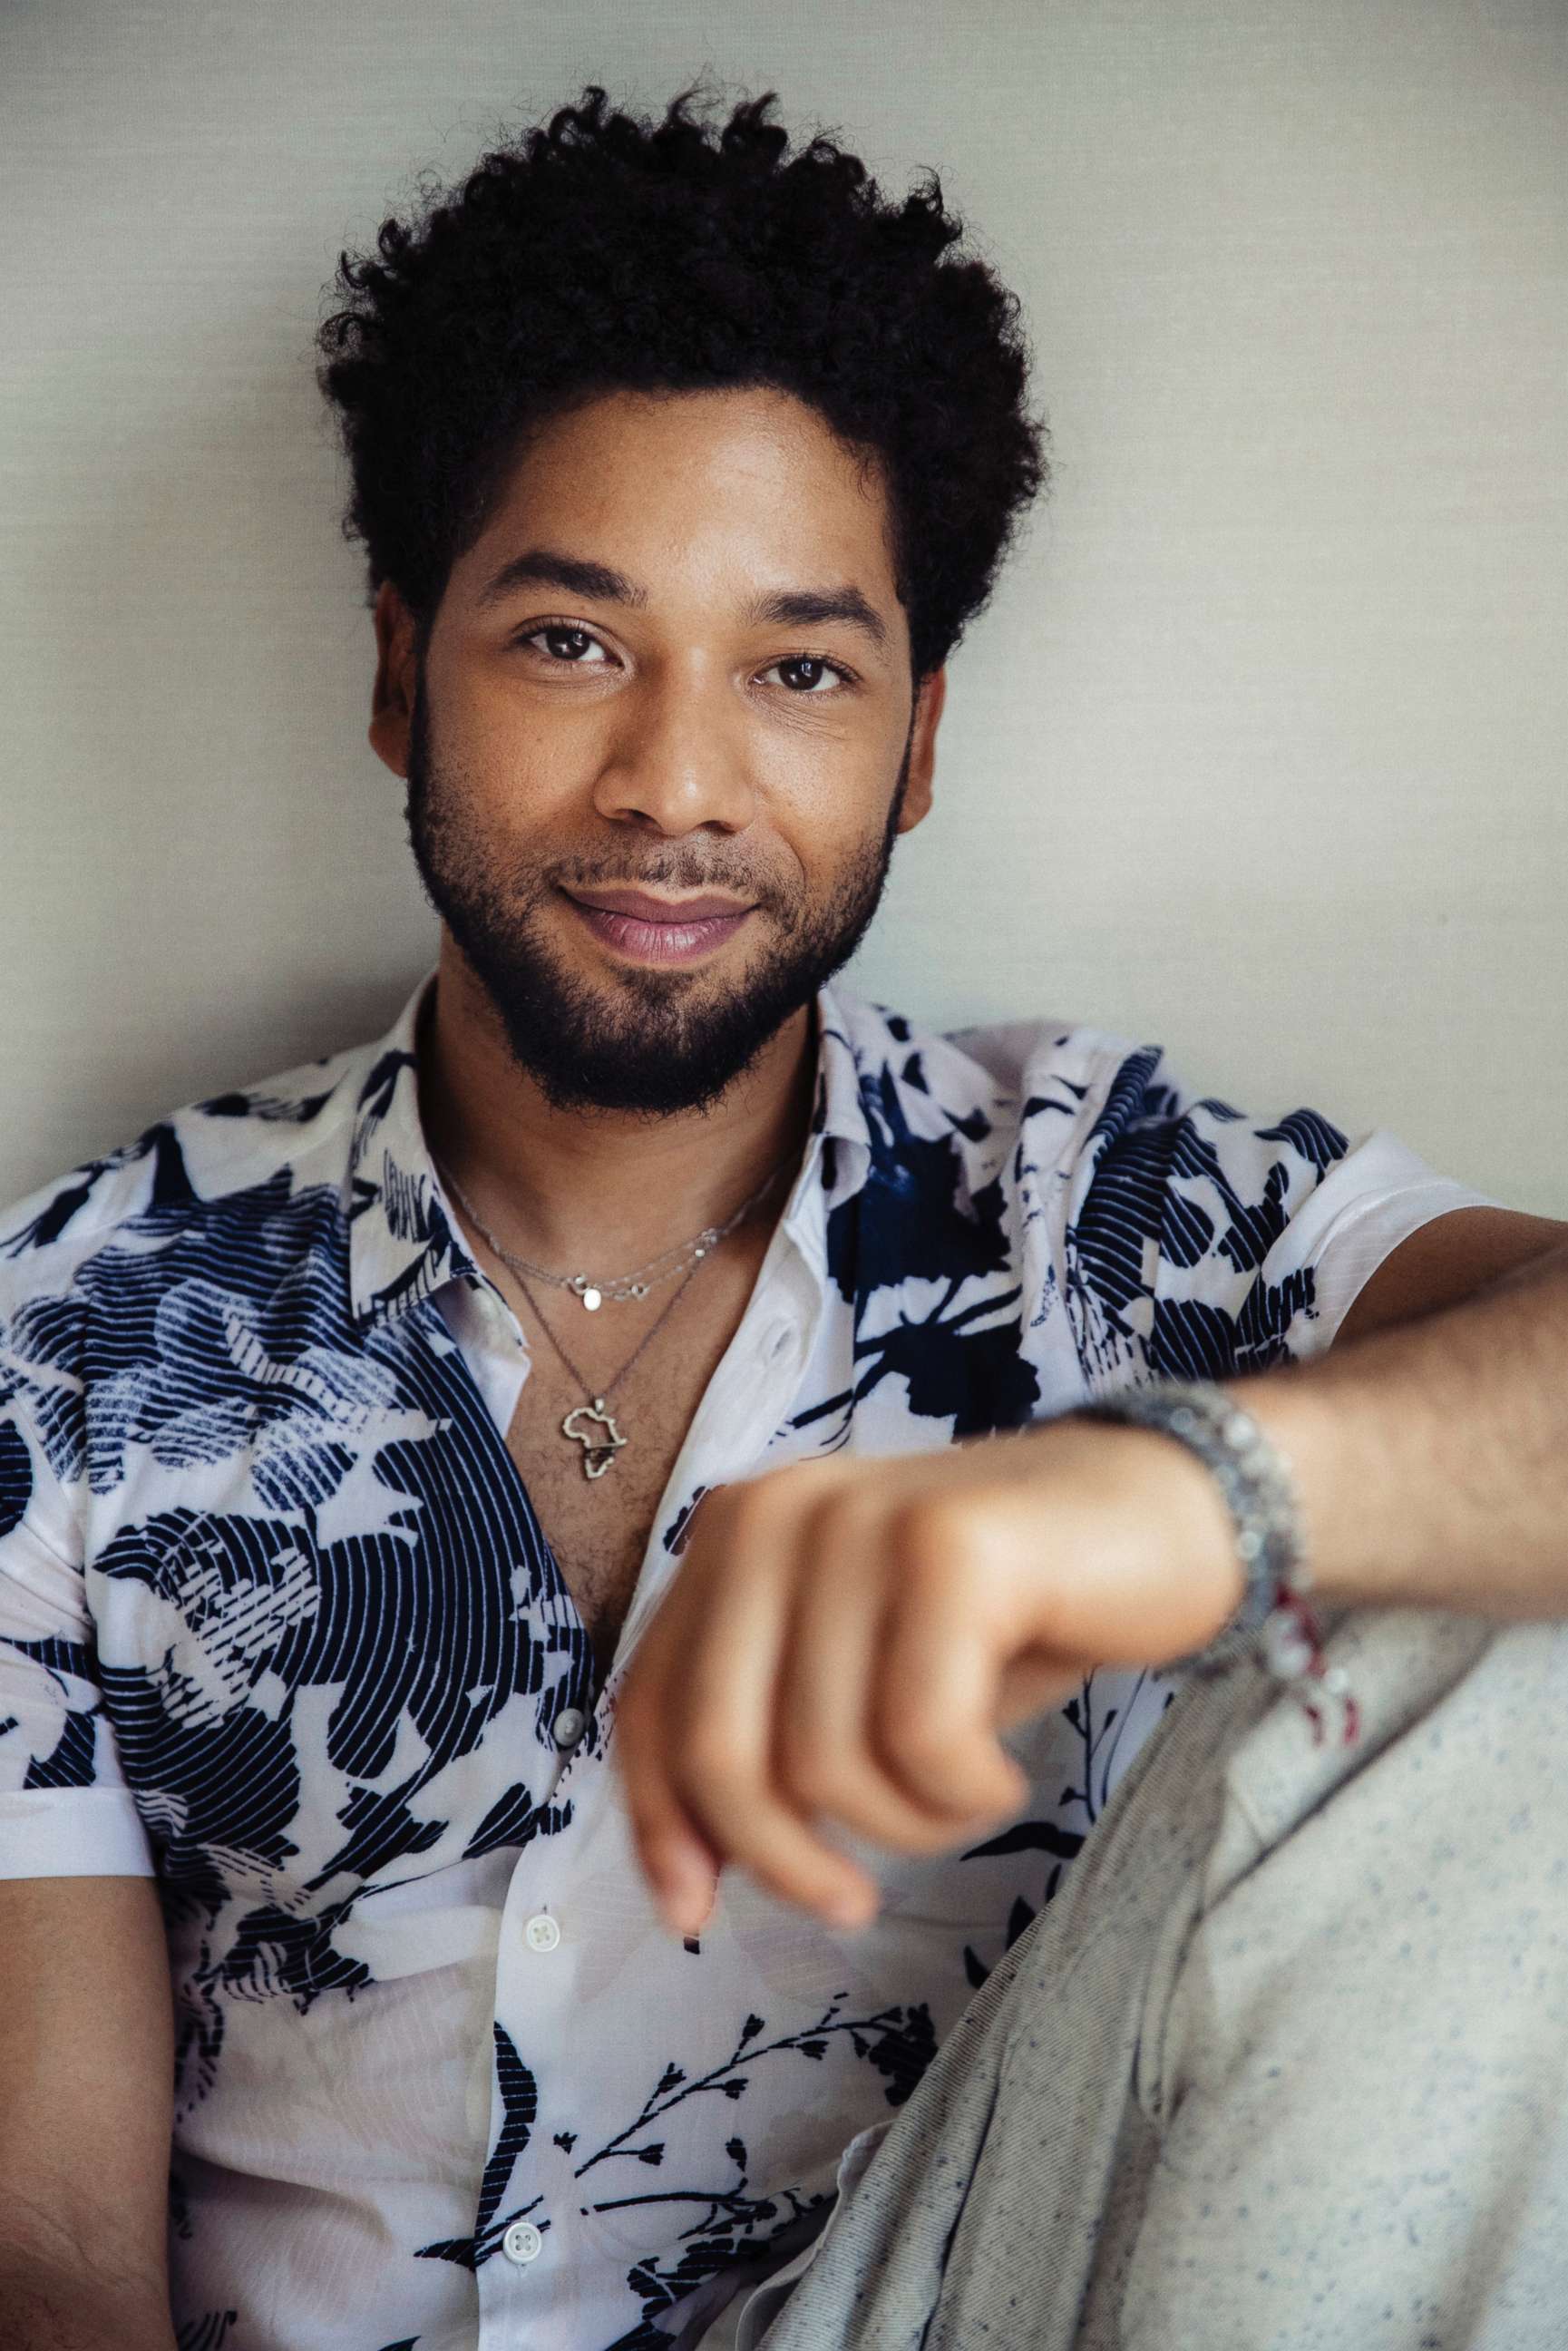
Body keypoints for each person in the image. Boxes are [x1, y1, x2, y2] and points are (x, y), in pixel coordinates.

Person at [0, 75, 1562, 2351]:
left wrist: (1156, 1497)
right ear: (391, 665)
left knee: (1503, 1608)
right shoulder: (68, 1333)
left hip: (957, 2300)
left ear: (917, 742)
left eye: (800, 671)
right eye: (568, 641)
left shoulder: (1111, 1207)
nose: (675, 782)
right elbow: (44, 2248)